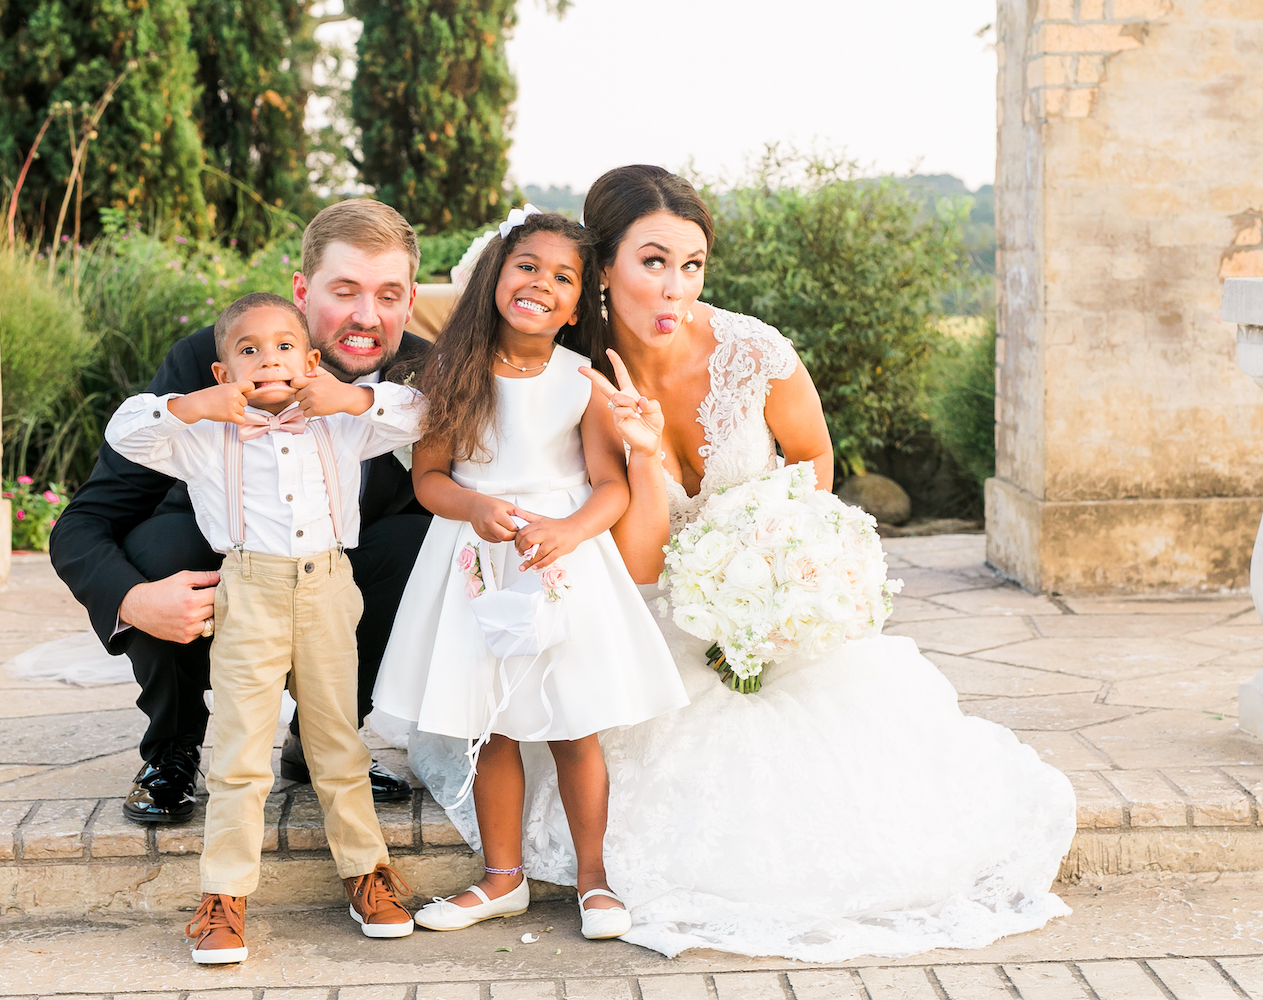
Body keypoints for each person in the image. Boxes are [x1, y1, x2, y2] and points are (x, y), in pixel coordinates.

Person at [403, 166, 1078, 962]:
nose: (676, 287)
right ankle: (543, 873)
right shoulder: (573, 369)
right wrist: (643, 459)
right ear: (603, 269)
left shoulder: (754, 352)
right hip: (642, 605)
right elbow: (636, 557)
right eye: (653, 262)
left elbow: (813, 457)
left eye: (692, 265)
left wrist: (783, 561)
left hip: (760, 597)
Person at [49, 199, 430, 824]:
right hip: (227, 570)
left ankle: (323, 741)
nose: (367, 316)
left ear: (410, 302)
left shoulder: (425, 374)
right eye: (344, 292)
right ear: (303, 292)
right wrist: (131, 600)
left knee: (421, 543)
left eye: (387, 295)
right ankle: (172, 749)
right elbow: (86, 521)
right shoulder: (213, 358)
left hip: (338, 582)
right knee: (162, 550)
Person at [370, 210, 688, 941]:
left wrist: (569, 531)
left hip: (563, 563)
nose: (542, 283)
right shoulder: (452, 372)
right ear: (497, 275)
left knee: (575, 727)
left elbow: (610, 486)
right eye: (528, 266)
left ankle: (594, 878)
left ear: (577, 305)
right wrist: (475, 506)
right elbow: (430, 479)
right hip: (477, 560)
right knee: (492, 727)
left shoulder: (583, 380)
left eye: (563, 277)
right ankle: (502, 878)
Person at [106, 292, 422, 961]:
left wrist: (350, 398)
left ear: (310, 363)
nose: (268, 359)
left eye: (284, 347)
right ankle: (224, 897)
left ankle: (366, 873)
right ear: (224, 374)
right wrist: (194, 407)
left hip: (328, 587)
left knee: (338, 742)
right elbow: (125, 432)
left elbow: (421, 414)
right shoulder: (203, 437)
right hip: (248, 592)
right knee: (240, 752)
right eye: (248, 350)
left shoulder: (342, 424)